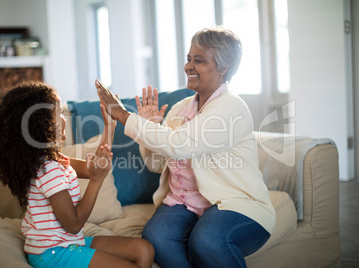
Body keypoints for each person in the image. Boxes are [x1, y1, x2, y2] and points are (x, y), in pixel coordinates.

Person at [96, 25, 276, 268]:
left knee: (207, 240)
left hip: (234, 202)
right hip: (186, 203)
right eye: (189, 58)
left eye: (199, 60)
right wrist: (151, 125)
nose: (189, 66)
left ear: (223, 68)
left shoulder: (231, 107)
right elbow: (157, 163)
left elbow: (179, 145)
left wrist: (124, 115)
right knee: (156, 238)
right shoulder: (180, 108)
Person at [0, 81, 154, 268]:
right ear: (42, 124)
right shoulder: (48, 171)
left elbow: (92, 168)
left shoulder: (52, 160)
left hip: (66, 243)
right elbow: (73, 224)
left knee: (144, 250)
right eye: (60, 113)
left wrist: (109, 127)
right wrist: (96, 181)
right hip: (52, 253)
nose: (64, 118)